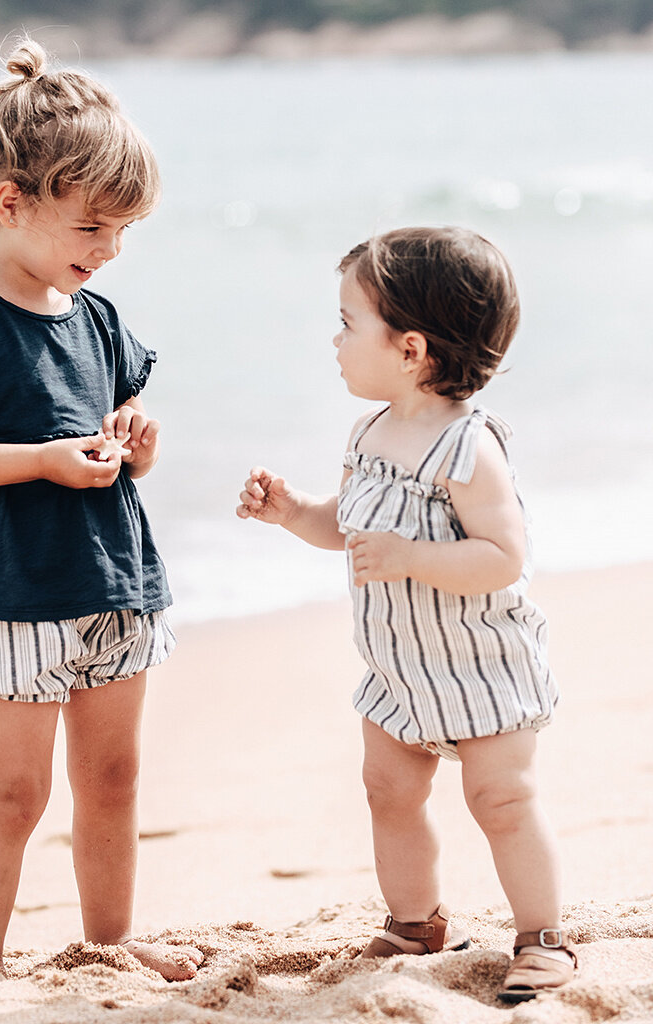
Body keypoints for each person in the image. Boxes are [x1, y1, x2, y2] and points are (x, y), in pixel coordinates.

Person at [0, 38, 202, 983]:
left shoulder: (94, 316)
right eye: (94, 228)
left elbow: (118, 417)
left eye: (123, 234)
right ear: (11, 202)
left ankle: (109, 944)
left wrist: (135, 441)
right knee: (16, 792)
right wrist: (41, 462)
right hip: (9, 593)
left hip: (112, 582)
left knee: (112, 781)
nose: (108, 252)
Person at [236, 227, 576, 1003]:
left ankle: (542, 935)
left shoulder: (467, 446)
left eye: (350, 323)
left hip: (481, 665)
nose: (336, 338)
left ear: (411, 349)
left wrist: (411, 556)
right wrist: (293, 512)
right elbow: (351, 530)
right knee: (388, 789)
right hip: (399, 667)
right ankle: (415, 920)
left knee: (502, 799)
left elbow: (502, 555)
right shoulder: (370, 434)